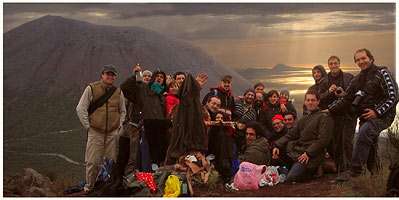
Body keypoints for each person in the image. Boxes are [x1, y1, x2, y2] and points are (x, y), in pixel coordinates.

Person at [326, 48, 398, 181]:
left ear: (371, 58)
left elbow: (393, 96)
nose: (361, 61)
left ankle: (354, 171)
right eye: (358, 60)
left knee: (364, 133)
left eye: (363, 58)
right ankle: (376, 175)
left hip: (384, 116)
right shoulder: (358, 79)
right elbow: (346, 98)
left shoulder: (383, 73)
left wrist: (377, 112)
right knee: (370, 145)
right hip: (366, 117)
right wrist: (329, 110)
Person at [76, 64, 126, 193]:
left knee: (111, 162)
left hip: (112, 132)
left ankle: (108, 187)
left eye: (112, 75)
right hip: (96, 132)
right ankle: (89, 187)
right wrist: (88, 126)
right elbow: (81, 108)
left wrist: (118, 127)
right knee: (92, 162)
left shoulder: (117, 92)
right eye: (107, 74)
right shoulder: (92, 88)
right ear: (102, 75)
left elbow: (123, 111)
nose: (110, 77)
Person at [272, 90, 334, 183]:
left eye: (313, 100)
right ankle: (297, 169)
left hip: (312, 154)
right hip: (300, 151)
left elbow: (323, 140)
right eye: (308, 100)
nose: (310, 103)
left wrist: (308, 153)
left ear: (318, 102)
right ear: (305, 101)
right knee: (280, 149)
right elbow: (292, 134)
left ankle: (311, 171)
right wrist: (277, 145)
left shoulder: (323, 117)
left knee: (291, 178)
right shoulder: (304, 118)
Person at [121, 65, 170, 169]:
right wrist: (133, 77)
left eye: (162, 77)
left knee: (151, 157)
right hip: (139, 128)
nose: (159, 78)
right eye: (157, 76)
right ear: (153, 78)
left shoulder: (161, 95)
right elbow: (125, 88)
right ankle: (132, 179)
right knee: (136, 156)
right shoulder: (142, 88)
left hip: (155, 131)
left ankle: (147, 181)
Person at [324, 55, 357, 173]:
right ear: (328, 65)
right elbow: (320, 97)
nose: (333, 66)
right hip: (331, 116)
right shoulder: (324, 80)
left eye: (335, 63)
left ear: (339, 63)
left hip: (347, 114)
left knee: (347, 142)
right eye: (331, 64)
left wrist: (343, 95)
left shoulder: (349, 78)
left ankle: (350, 169)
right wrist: (328, 92)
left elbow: (355, 96)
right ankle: (340, 168)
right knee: (334, 143)